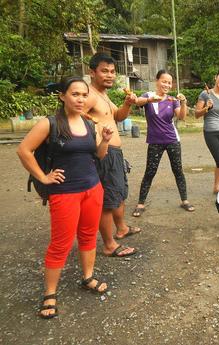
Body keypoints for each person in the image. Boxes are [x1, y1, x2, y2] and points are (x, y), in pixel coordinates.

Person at [17, 77, 112, 319]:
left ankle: (87, 276)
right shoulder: (49, 123)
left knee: (89, 235)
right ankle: (50, 293)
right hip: (65, 193)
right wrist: (43, 177)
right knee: (61, 242)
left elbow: (98, 156)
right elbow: (24, 150)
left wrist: (106, 141)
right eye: (75, 94)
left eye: (84, 95)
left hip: (93, 188)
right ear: (62, 96)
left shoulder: (89, 124)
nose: (80, 99)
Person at [84, 53, 140, 258]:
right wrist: (91, 122)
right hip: (104, 153)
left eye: (112, 72)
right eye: (104, 71)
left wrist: (127, 104)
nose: (109, 75)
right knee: (107, 201)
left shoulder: (103, 94)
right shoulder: (89, 95)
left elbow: (117, 116)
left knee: (118, 193)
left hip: (114, 153)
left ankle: (122, 228)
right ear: (92, 72)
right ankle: (109, 244)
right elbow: (74, 112)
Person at [131, 70, 194, 217]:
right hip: (155, 141)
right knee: (150, 172)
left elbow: (182, 117)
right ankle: (141, 203)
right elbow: (137, 102)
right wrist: (149, 100)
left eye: (169, 82)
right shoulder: (148, 96)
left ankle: (185, 200)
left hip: (172, 140)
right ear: (157, 81)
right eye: (164, 81)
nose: (167, 84)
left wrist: (183, 102)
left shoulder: (173, 100)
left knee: (178, 170)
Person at [195, 70, 219, 193]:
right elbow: (196, 114)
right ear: (215, 77)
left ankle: (217, 187)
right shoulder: (205, 94)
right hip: (210, 132)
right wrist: (207, 108)